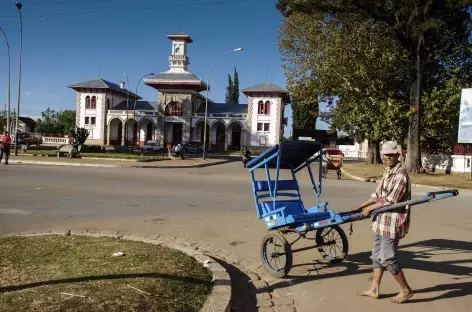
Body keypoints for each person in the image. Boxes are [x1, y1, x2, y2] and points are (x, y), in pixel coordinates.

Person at [350, 141, 413, 303]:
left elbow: (390, 201)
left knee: (387, 257)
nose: (388, 158)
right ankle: (374, 289)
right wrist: (361, 205)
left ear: (398, 156)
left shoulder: (400, 175)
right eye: (386, 155)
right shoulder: (388, 172)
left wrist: (370, 209)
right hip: (381, 221)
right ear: (382, 155)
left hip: (392, 222)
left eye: (392, 155)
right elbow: (377, 195)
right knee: (377, 256)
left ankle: (405, 290)